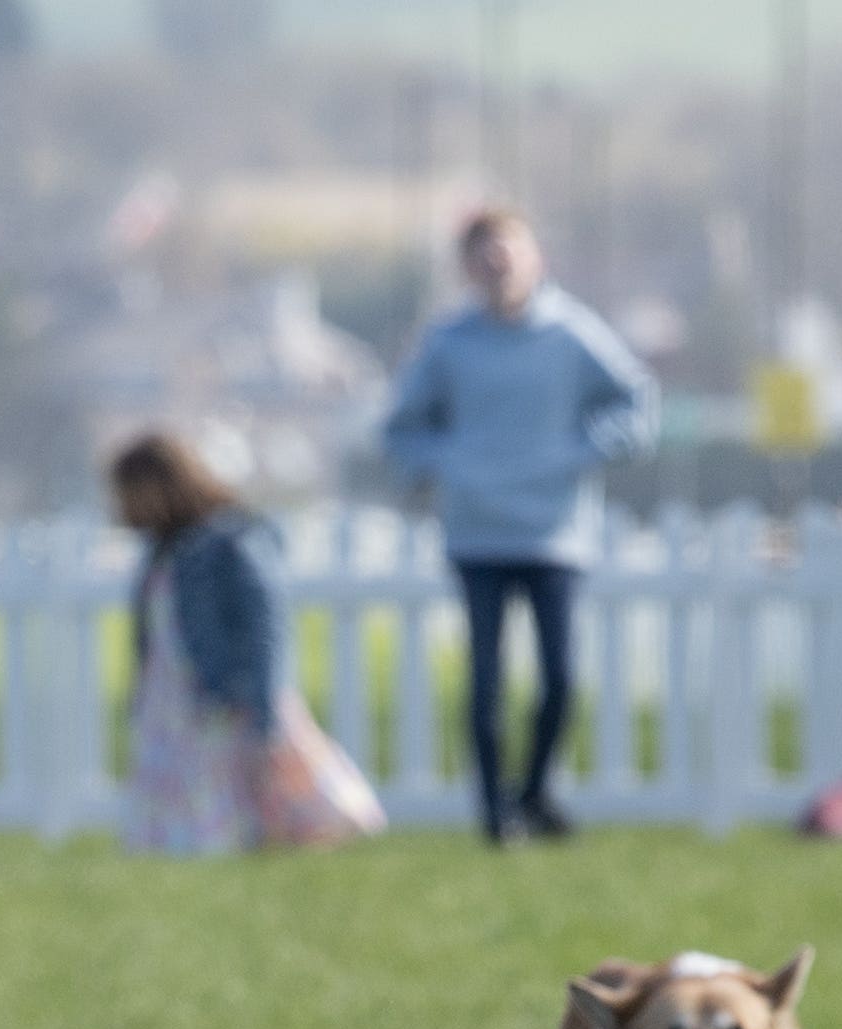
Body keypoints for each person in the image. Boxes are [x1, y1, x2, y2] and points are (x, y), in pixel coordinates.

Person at [384, 208, 658, 846]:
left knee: (560, 678)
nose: (497, 265)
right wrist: (443, 463)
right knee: (485, 681)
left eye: (507, 251)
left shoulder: (571, 333)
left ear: (533, 256)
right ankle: (494, 814)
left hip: (554, 533)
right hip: (477, 533)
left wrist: (583, 452)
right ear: (467, 267)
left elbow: (636, 401)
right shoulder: (449, 344)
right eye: (483, 254)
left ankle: (534, 791)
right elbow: (402, 429)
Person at [111, 433, 386, 856]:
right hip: (172, 703)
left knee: (248, 789)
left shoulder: (229, 542)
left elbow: (264, 628)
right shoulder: (162, 552)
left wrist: (263, 702)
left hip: (220, 695)